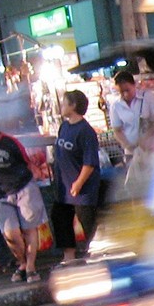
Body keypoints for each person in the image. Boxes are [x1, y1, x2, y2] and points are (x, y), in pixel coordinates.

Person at [0, 106, 46, 282]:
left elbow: (27, 163)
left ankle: (30, 266)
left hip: (23, 188)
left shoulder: (9, 142)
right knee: (10, 234)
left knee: (29, 229)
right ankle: (22, 262)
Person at [51, 89, 102, 260]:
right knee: (62, 220)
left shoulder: (86, 131)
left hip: (82, 189)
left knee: (87, 221)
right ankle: (69, 257)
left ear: (73, 106)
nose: (62, 106)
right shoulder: (64, 126)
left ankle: (94, 252)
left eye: (65, 103)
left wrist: (79, 183)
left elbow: (90, 163)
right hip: (63, 185)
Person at [107, 69, 154, 198]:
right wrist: (127, 145)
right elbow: (117, 130)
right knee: (137, 187)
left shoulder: (148, 98)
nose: (125, 95)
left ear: (134, 85)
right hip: (132, 153)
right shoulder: (116, 107)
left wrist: (150, 137)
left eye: (127, 90)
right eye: (121, 92)